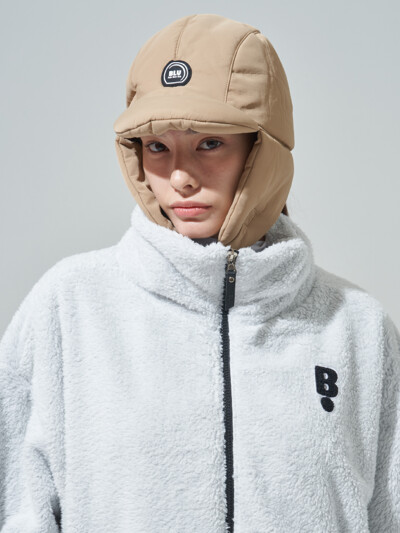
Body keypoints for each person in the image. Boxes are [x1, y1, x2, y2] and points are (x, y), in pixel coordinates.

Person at [0, 13, 399, 533]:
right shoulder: (69, 307)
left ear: (263, 149)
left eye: (209, 143)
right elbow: (18, 507)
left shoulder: (357, 330)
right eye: (157, 147)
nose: (180, 176)